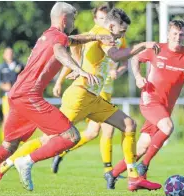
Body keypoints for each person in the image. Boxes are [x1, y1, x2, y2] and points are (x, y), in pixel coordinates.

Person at [0, 2, 114, 196]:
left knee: (8, 147)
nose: (74, 24)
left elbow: (73, 41)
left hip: (17, 95)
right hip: (30, 96)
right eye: (72, 20)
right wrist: (80, 70)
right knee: (71, 136)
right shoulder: (58, 39)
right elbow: (60, 51)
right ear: (64, 19)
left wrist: (97, 36)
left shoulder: (48, 35)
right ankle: (27, 161)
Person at [13, 8, 162, 192]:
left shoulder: (97, 33)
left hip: (93, 97)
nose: (122, 36)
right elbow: (115, 55)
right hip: (80, 95)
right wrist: (143, 45)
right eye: (122, 31)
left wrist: (79, 65)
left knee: (128, 125)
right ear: (112, 25)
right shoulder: (103, 33)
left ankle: (132, 178)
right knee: (49, 138)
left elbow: (75, 44)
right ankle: (13, 163)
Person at [104, 20, 184, 189]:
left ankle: (113, 174)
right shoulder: (157, 49)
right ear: (168, 34)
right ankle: (144, 166)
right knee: (168, 127)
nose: (178, 37)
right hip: (150, 100)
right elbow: (135, 59)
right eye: (175, 34)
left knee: (141, 147)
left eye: (181, 34)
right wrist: (138, 77)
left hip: (165, 107)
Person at [51, 4, 128, 175]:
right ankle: (109, 171)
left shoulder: (119, 38)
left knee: (93, 133)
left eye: (105, 18)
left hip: (105, 90)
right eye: (100, 18)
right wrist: (59, 82)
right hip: (91, 91)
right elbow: (75, 60)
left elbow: (124, 61)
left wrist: (118, 70)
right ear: (95, 20)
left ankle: (61, 152)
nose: (103, 21)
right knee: (107, 129)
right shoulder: (93, 37)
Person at [0, 47, 23, 138]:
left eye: (11, 53)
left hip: (18, 96)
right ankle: (5, 139)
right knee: (6, 118)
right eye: (7, 53)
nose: (9, 55)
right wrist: (5, 86)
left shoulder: (19, 65)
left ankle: (17, 139)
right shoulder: (1, 67)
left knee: (19, 119)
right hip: (7, 96)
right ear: (4, 55)